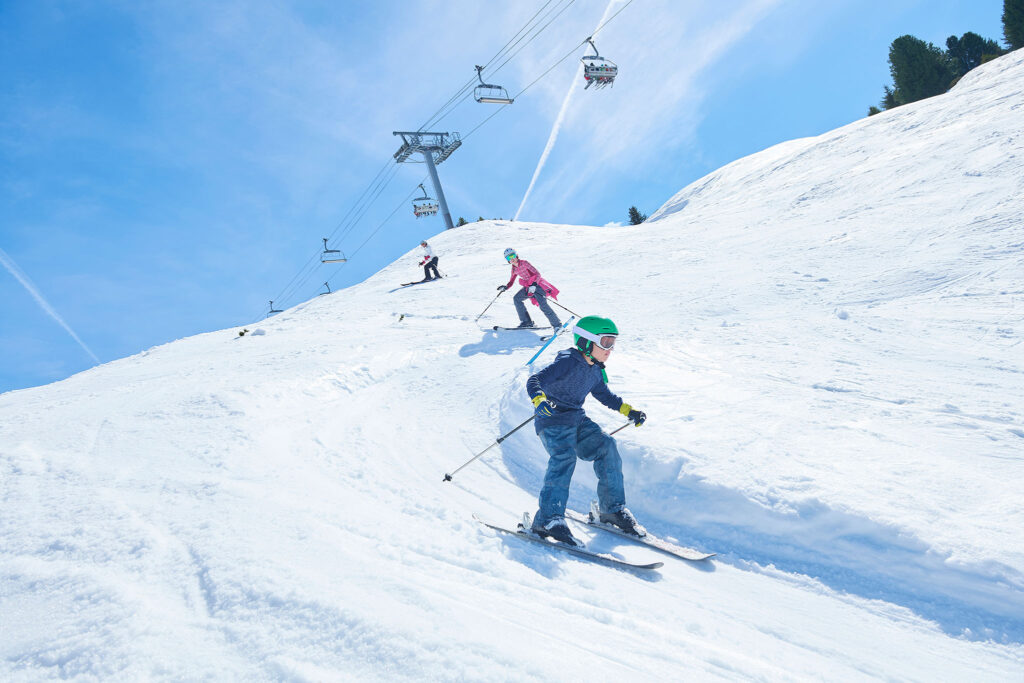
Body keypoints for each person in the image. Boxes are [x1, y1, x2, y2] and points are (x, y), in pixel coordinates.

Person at [525, 316, 647, 547]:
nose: (610, 349)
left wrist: (629, 411)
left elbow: (604, 395)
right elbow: (535, 380)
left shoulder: (596, 370)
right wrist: (539, 399)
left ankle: (611, 510)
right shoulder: (568, 361)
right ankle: (548, 520)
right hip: (552, 419)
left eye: (613, 342)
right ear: (586, 342)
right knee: (564, 456)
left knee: (607, 446)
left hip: (576, 420)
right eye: (606, 342)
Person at [496, 248, 560, 329]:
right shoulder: (514, 269)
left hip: (538, 285)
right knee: (517, 299)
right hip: (528, 287)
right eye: (508, 257)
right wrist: (505, 287)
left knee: (543, 305)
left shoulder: (524, 263)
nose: (511, 258)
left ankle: (557, 325)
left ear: (516, 255)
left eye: (512, 255)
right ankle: (526, 322)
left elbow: (537, 274)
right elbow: (511, 282)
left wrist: (534, 284)